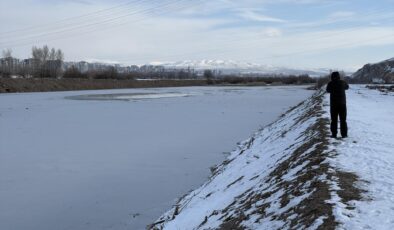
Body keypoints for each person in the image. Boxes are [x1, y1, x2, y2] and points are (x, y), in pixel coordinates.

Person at [326, 71, 349, 138]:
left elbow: (327, 90)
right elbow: (347, 87)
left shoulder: (330, 83)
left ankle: (334, 134)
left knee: (334, 120)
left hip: (333, 105)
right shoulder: (343, 82)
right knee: (343, 120)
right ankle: (344, 134)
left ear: (332, 77)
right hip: (342, 104)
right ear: (339, 76)